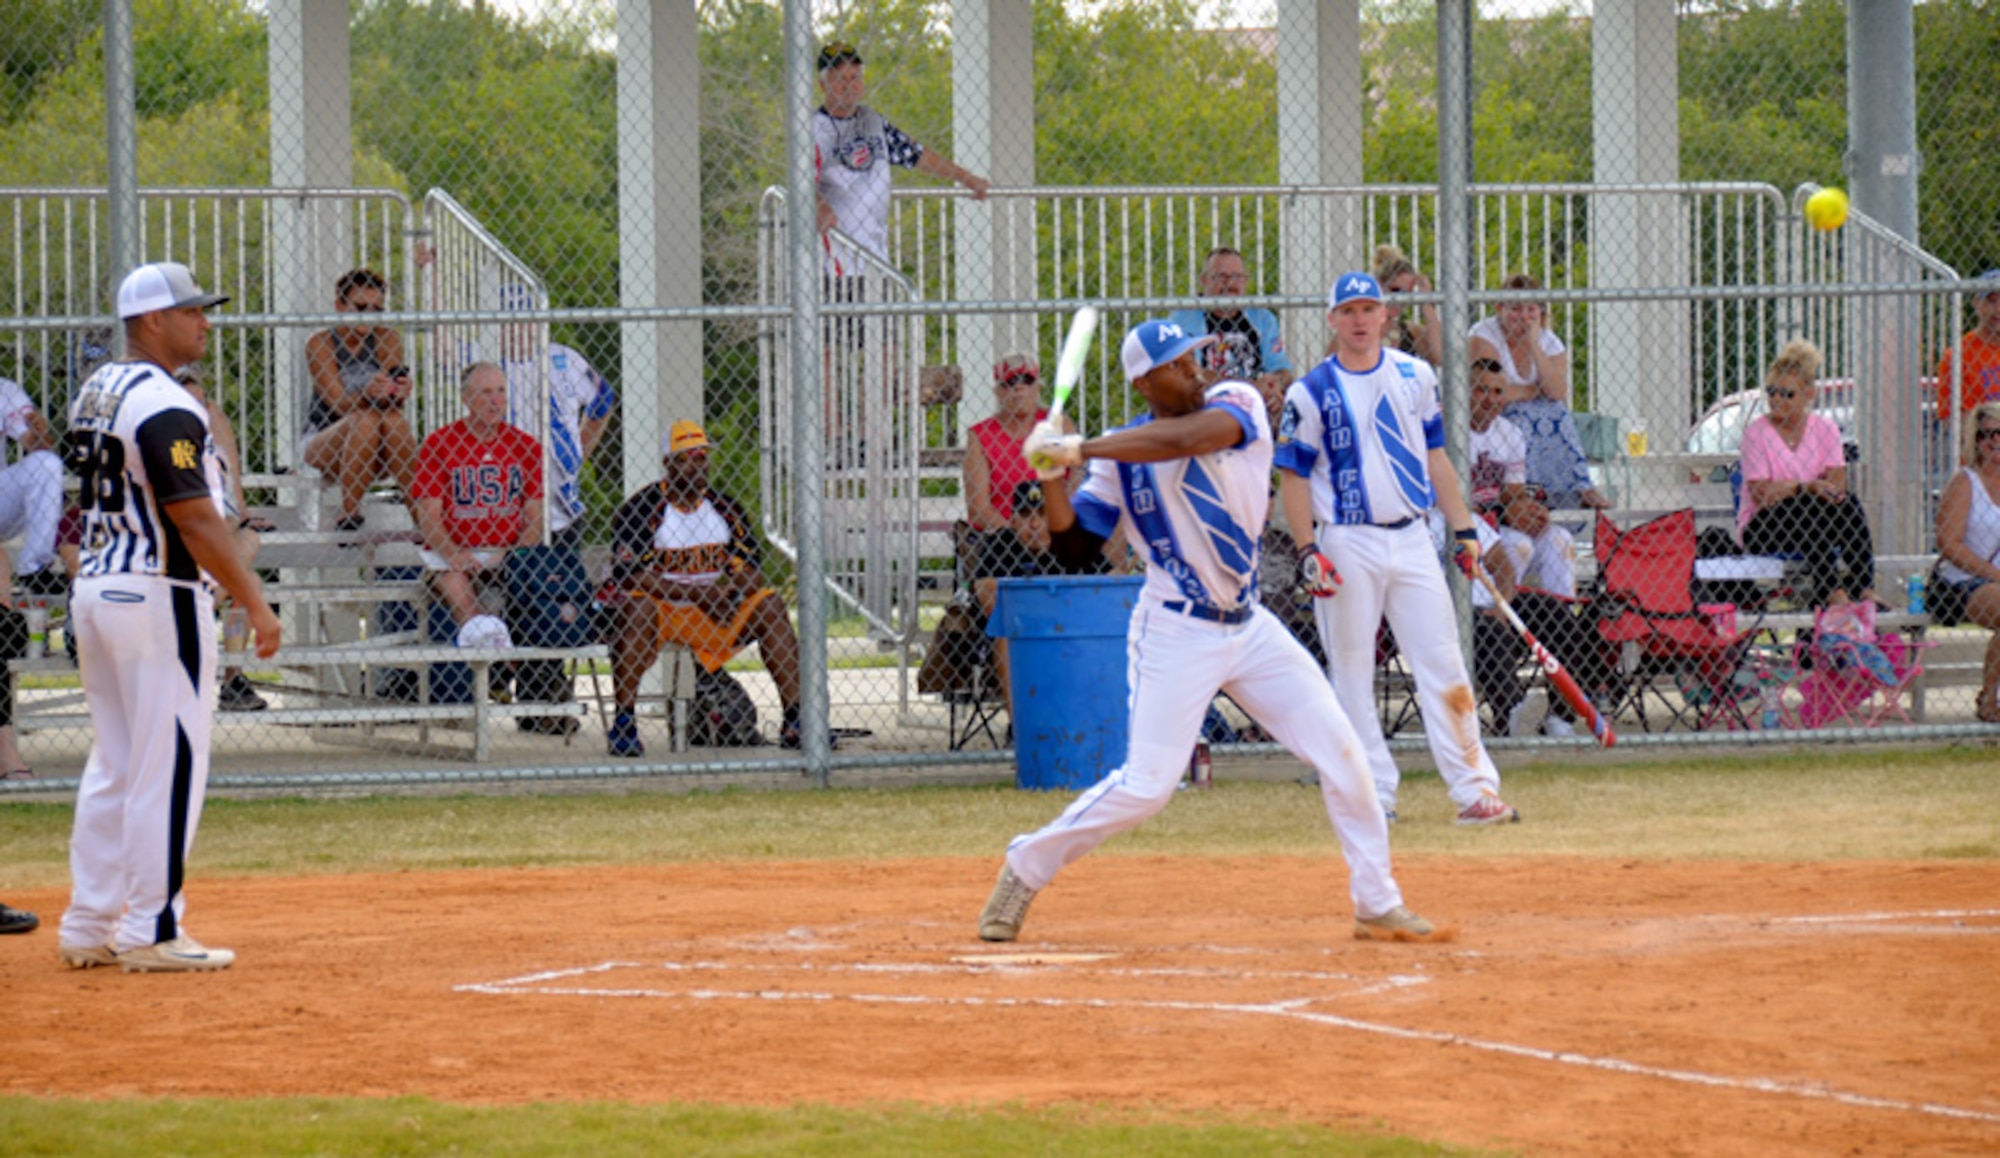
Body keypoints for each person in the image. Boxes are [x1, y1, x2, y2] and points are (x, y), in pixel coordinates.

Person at [975, 318, 1444, 946]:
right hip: (1176, 631)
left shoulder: (1237, 402)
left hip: (1250, 625)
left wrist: (1080, 449)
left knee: (1345, 752)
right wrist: (1050, 476)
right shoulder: (1119, 454)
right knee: (1146, 790)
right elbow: (1075, 548)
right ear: (1145, 381)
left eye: (1194, 355)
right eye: (1178, 364)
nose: (1196, 368)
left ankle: (1376, 900)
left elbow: (1188, 440)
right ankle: (1027, 864)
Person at [57, 261, 282, 973]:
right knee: (169, 764)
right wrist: (254, 599)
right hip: (157, 594)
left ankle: (89, 923)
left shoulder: (99, 387)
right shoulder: (163, 401)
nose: (204, 321)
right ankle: (152, 930)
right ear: (152, 320)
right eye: (190, 311)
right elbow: (193, 516)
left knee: (117, 763)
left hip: (99, 586)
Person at [1277, 272, 1519, 826]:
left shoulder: (1416, 376)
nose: (1360, 320)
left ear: (1384, 315)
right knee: (1352, 672)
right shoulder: (1309, 392)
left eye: (1369, 309)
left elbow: (1436, 458)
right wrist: (1307, 550)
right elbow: (1292, 478)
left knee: (1443, 663)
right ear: (1333, 319)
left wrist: (1463, 529)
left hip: (1412, 535)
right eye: (1349, 311)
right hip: (1345, 539)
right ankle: (1371, 797)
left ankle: (1475, 790)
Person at [603, 421, 821, 758]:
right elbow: (630, 576)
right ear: (669, 463)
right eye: (689, 457)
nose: (699, 464)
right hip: (664, 612)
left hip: (713, 611)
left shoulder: (724, 508)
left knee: (770, 604)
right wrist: (698, 594)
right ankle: (624, 723)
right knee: (638, 606)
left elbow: (752, 571)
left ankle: (795, 720)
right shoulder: (643, 508)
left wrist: (731, 593)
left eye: (703, 456)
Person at [493, 288, 617, 731]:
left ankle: (546, 695)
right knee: (519, 596)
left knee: (557, 598)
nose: (520, 329)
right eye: (511, 320)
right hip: (505, 506)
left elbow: (602, 402)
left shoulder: (561, 359)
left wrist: (581, 448)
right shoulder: (491, 364)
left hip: (560, 505)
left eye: (528, 320)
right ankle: (524, 687)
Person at [813, 41, 990, 277]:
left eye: (854, 77)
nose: (849, 86)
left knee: (882, 310)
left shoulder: (873, 122)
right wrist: (818, 204)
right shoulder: (812, 128)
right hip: (831, 262)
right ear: (823, 84)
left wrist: (967, 179)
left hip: (875, 260)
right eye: (840, 79)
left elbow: (916, 154)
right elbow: (802, 181)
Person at [409, 363, 545, 648]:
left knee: (535, 588)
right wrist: (453, 553)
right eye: (485, 393)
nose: (496, 401)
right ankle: (495, 657)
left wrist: (514, 555)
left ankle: (507, 666)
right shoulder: (440, 443)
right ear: (466, 398)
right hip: (453, 554)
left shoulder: (526, 446)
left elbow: (534, 519)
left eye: (501, 391)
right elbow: (428, 516)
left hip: (506, 551)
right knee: (456, 583)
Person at [1738, 339, 1876, 608]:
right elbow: (1762, 494)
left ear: (1808, 395)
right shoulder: (1757, 433)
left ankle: (1863, 587)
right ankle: (1832, 591)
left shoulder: (1825, 429)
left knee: (1847, 504)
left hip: (1813, 520)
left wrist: (1808, 489)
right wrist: (1805, 486)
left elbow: (1835, 488)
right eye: (1772, 391)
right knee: (1806, 505)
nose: (1776, 399)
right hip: (1765, 526)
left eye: (1787, 394)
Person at [174, 364, 274, 711]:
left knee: (250, 572)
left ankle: (232, 678)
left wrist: (240, 514)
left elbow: (231, 500)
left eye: (203, 404)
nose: (200, 412)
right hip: (186, 549)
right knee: (247, 574)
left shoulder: (210, 439)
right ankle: (230, 678)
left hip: (220, 545)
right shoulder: (173, 447)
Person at [1467, 273, 1608, 512]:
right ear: (1499, 308)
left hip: (1539, 412)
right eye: (1515, 308)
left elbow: (1557, 392)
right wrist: (1535, 390)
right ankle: (1527, 493)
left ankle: (1580, 489)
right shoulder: (1484, 334)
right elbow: (1492, 391)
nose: (1523, 316)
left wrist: (1534, 343)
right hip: (1495, 413)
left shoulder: (1547, 340)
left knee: (1560, 414)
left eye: (1531, 309)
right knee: (1525, 418)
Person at [970, 479, 1109, 721]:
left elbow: (1113, 578)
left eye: (1042, 514)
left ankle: (1089, 721)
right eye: (1025, 515)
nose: (1034, 523)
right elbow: (985, 590)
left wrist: (1027, 597)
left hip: (1069, 632)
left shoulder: (1072, 542)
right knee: (1006, 636)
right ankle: (1020, 727)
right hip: (1020, 635)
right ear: (1013, 521)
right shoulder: (1001, 544)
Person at [301, 268, 419, 532]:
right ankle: (350, 511)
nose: (369, 316)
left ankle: (422, 518)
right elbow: (339, 404)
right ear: (340, 306)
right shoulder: (321, 343)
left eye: (377, 309)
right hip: (326, 439)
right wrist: (367, 393)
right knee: (364, 418)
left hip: (379, 445)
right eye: (361, 307)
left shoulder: (386, 338)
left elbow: (391, 403)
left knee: (392, 420)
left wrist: (397, 392)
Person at [1469, 357, 1577, 599]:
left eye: (1498, 391)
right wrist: (1507, 512)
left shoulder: (1510, 433)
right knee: (1519, 546)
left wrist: (1526, 511)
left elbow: (1514, 492)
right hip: (1466, 527)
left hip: (1496, 521)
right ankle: (1497, 621)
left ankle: (1564, 622)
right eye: (1481, 390)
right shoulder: (1447, 429)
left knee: (1560, 539)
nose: (1490, 400)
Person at [1928, 401, 2000, 722]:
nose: (1994, 441)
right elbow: (1948, 543)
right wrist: (1993, 574)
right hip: (1962, 582)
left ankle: (1992, 695)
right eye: (1986, 435)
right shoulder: (1966, 482)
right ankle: (1991, 700)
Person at [962, 354, 1077, 535]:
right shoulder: (980, 435)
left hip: (1056, 528)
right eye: (1010, 382)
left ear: (1038, 387)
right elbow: (978, 508)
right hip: (1006, 535)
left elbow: (1078, 479)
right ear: (998, 391)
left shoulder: (1059, 425)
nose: (1019, 388)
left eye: (1027, 380)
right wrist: (1021, 536)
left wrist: (1055, 526)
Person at [1167, 246, 1296, 406]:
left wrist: (1276, 385)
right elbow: (1188, 373)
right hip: (1204, 404)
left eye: (1236, 276)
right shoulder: (1184, 317)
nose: (1229, 284)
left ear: (1245, 280)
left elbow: (1283, 370)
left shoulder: (1262, 318)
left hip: (1252, 403)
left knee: (1283, 408)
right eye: (1220, 277)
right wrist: (1249, 388)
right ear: (1204, 280)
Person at [0, 371, 65, 593]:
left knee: (46, 463)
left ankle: (33, 568)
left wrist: (38, 435)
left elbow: (34, 442)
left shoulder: (4, 390)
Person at [1934, 270, 2000, 415]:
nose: (1998, 309)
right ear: (1976, 303)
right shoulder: (1957, 357)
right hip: (1984, 436)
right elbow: (1956, 422)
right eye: (1992, 300)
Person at [1374, 245, 1442, 367]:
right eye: (1395, 290)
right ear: (1379, 285)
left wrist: (1426, 302)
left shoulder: (1409, 330)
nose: (1400, 301)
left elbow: (1439, 356)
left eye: (1407, 295)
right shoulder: (1358, 329)